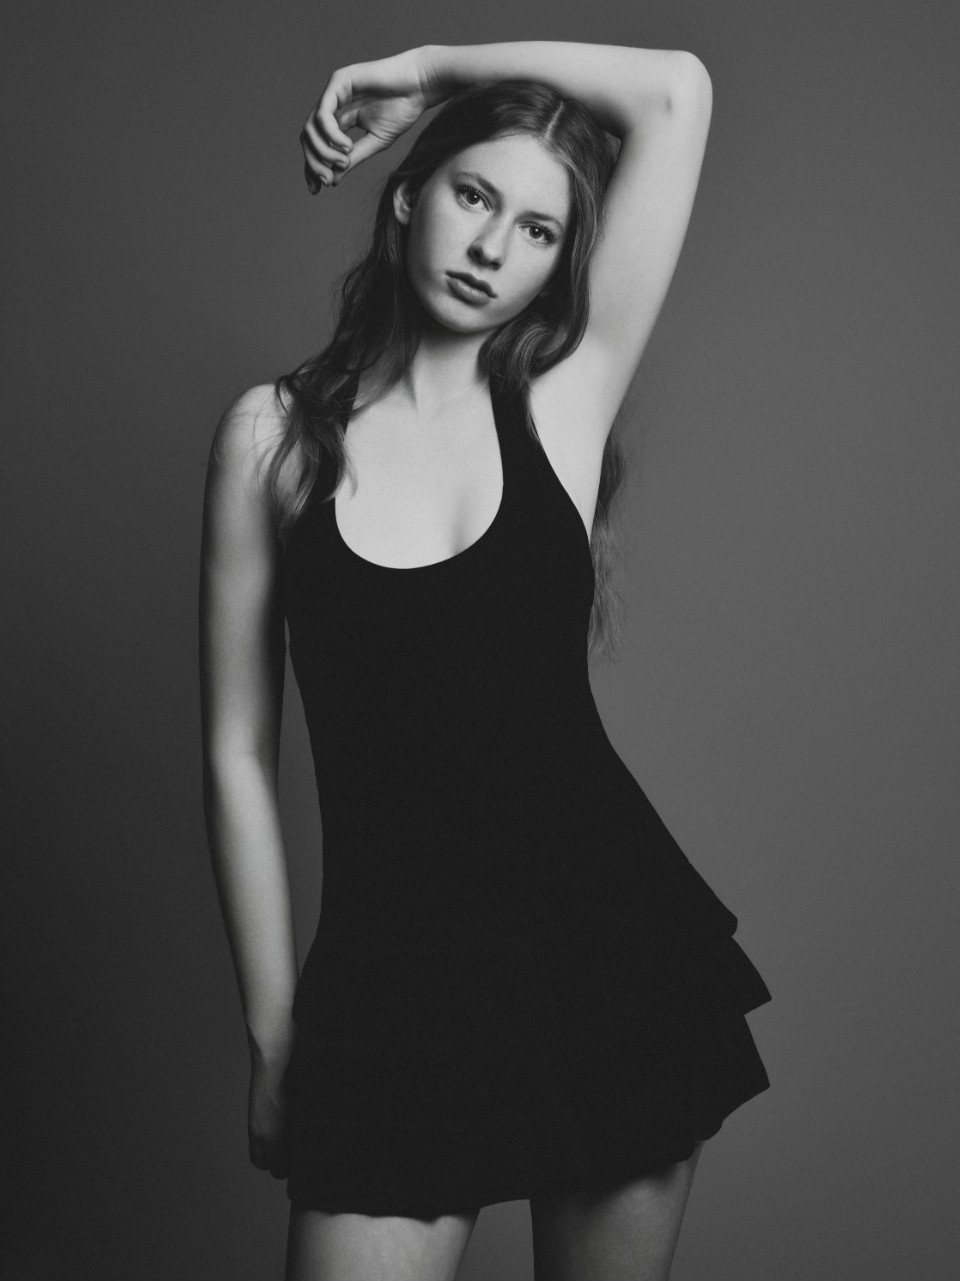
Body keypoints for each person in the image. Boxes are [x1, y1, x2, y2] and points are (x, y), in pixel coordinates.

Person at [200, 40, 771, 1281]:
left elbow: (676, 90)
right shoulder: (272, 439)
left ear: (563, 261)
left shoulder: (564, 403)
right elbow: (238, 750)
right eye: (473, 196)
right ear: (408, 196)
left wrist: (428, 72)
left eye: (538, 230)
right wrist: (275, 1037)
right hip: (390, 994)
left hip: (606, 959)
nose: (492, 248)